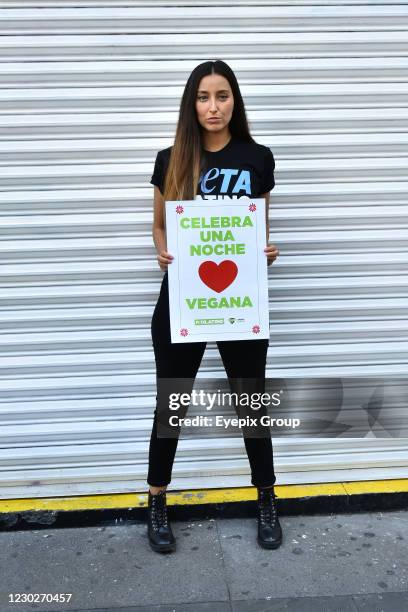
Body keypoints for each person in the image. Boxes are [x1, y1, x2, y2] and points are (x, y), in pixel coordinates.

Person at [147, 59, 281, 553]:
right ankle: (157, 499)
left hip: (240, 304)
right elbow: (161, 226)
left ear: (234, 101)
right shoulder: (171, 158)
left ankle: (267, 497)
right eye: (203, 97)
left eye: (222, 96)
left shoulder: (257, 158)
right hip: (182, 302)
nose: (213, 107)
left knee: (251, 403)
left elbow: (258, 229)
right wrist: (162, 251)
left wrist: (266, 251)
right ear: (191, 104)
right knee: (172, 403)